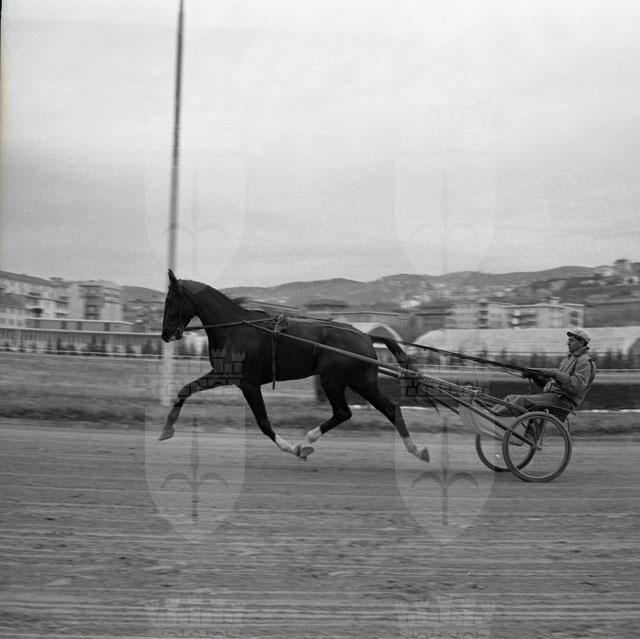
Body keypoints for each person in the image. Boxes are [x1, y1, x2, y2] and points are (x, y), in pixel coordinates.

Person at [493, 328, 597, 417]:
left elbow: (577, 386)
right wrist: (535, 376)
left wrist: (555, 374)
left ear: (582, 342)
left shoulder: (584, 361)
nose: (567, 343)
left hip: (564, 403)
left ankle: (491, 416)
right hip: (555, 397)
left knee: (520, 400)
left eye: (571, 340)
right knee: (511, 398)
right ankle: (489, 412)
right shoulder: (569, 358)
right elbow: (552, 384)